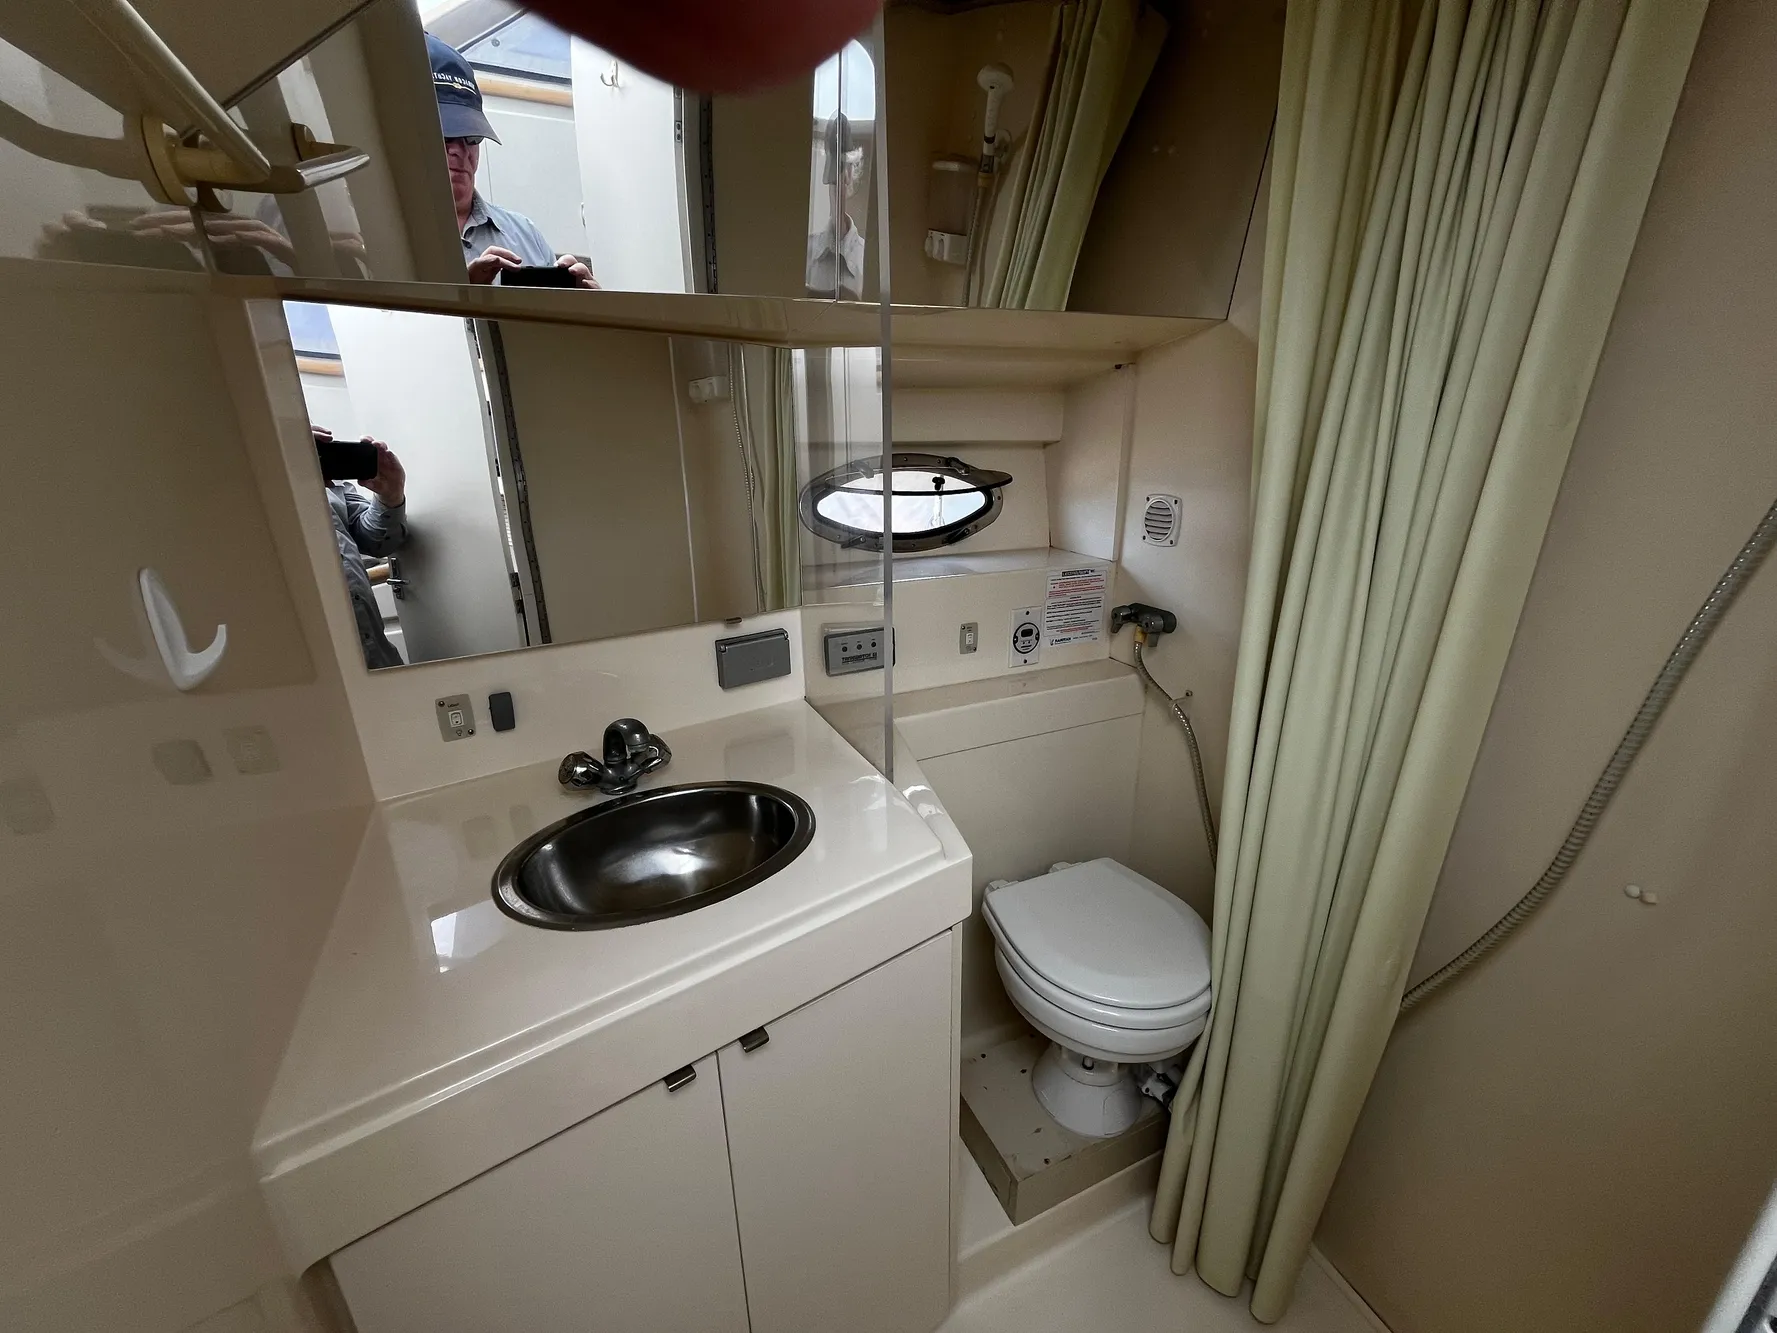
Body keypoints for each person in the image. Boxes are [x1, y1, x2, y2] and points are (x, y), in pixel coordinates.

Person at [429, 34, 599, 289]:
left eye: (472, 137)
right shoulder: (387, 242)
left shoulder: (525, 233)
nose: (460, 150)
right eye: (446, 134)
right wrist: (465, 293)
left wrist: (586, 312)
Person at [316, 430, 410, 670]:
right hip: (313, 667)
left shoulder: (331, 482)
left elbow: (376, 542)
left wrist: (390, 496)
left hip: (376, 654)